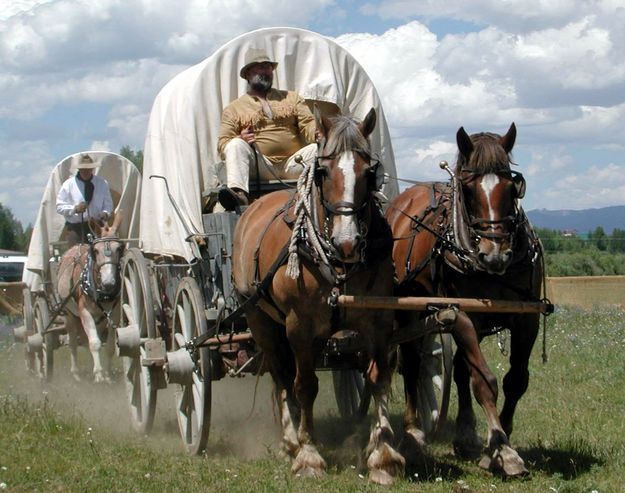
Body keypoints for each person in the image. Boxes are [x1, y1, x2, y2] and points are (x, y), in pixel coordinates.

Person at [217, 48, 318, 210]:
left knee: (320, 147)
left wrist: (319, 134)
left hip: (294, 163)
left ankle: (333, 193)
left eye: (269, 67)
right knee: (235, 144)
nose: (266, 71)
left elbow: (308, 124)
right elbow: (223, 145)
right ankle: (239, 195)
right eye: (261, 67)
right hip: (261, 166)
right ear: (248, 74)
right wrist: (242, 139)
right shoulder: (234, 108)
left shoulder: (292, 98)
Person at [56, 154, 114, 247]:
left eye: (89, 169)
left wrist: (105, 213)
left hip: (97, 226)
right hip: (76, 228)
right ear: (79, 169)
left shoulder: (102, 183)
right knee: (75, 257)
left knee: (105, 254)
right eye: (84, 169)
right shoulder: (68, 184)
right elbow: (59, 207)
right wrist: (75, 209)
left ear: (92, 169)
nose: (86, 172)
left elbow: (108, 205)